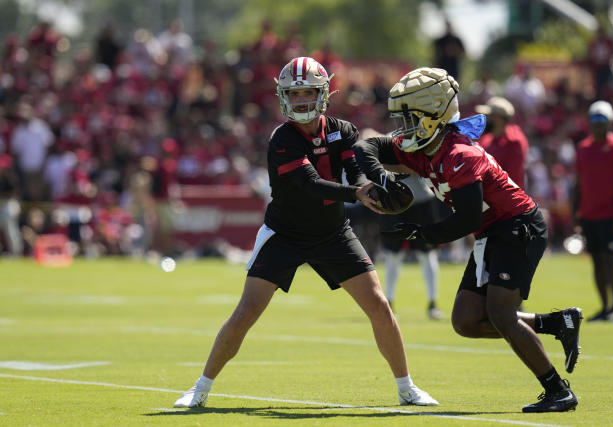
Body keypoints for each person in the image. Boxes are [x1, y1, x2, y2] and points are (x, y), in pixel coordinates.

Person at [173, 57, 438, 408]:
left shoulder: (343, 129)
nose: (300, 101)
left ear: (324, 93)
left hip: (332, 231)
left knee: (378, 303)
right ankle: (201, 387)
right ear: (283, 96)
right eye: (293, 94)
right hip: (285, 234)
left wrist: (369, 189)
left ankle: (407, 388)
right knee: (247, 310)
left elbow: (353, 170)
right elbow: (310, 184)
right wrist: (357, 194)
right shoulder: (282, 138)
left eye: (307, 92)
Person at [354, 67, 582, 413]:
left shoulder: (460, 154)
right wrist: (381, 177)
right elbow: (366, 146)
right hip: (494, 231)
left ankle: (558, 390)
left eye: (410, 118)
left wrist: (423, 232)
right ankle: (556, 323)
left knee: (501, 314)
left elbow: (468, 218)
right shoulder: (424, 147)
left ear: (432, 116)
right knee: (466, 320)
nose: (403, 128)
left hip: (517, 226)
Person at [572, 100, 613, 325]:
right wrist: (574, 215)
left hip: (610, 214)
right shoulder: (583, 148)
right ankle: (605, 307)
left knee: (610, 260)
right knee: (597, 261)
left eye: (602, 120)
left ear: (610, 122)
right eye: (594, 120)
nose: (598, 124)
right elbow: (577, 184)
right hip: (589, 214)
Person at [380, 174, 444, 319]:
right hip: (393, 201)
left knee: (427, 254)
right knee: (393, 255)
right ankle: (388, 303)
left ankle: (432, 303)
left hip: (422, 201)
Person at [475, 96, 529, 189]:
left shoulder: (514, 142)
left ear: (499, 119)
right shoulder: (486, 140)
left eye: (488, 116)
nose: (485, 120)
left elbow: (512, 178)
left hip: (507, 198)